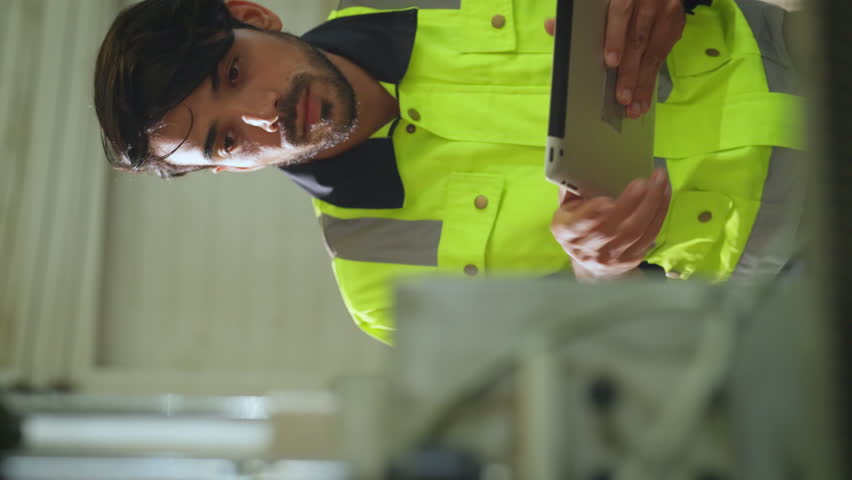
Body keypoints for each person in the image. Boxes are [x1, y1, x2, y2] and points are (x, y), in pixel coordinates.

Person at [94, 0, 804, 344]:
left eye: (234, 71)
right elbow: (601, 362)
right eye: (223, 142)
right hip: (793, 270)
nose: (262, 114)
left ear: (253, 16)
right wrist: (601, 274)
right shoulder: (378, 290)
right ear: (228, 170)